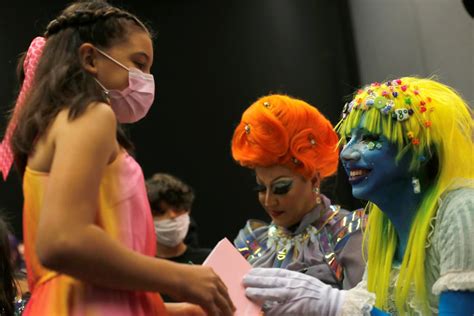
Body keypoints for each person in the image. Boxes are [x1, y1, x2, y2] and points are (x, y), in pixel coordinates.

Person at [2, 1, 234, 315]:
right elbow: (61, 241)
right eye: (138, 64)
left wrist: (183, 311)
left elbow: (97, 288)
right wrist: (181, 276)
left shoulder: (57, 124)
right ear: (90, 58)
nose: (146, 79)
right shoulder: (92, 116)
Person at [242, 77, 474, 315]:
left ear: (420, 151)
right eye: (349, 138)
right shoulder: (383, 229)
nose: (348, 153)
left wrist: (336, 304)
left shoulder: (462, 210)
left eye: (369, 139)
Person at [231, 94, 366, 290]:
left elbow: (363, 307)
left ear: (313, 180)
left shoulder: (348, 235)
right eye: (261, 187)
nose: (269, 200)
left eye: (281, 188)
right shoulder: (251, 243)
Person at [146, 173, 211, 265]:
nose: (172, 215)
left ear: (188, 210)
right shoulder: (138, 266)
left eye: (177, 208)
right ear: (145, 216)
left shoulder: (210, 261)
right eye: (160, 212)